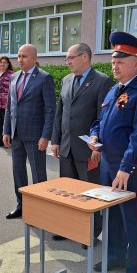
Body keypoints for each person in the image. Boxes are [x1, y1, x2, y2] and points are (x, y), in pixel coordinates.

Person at [89, 31, 137, 273]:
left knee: (133, 216)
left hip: (129, 167)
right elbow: (100, 122)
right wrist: (94, 137)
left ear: (136, 62)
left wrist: (125, 168)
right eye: (112, 61)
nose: (114, 65)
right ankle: (116, 256)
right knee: (113, 215)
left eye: (121, 60)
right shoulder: (113, 91)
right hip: (108, 163)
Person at [50, 43, 113, 246]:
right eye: (66, 58)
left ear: (84, 57)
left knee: (90, 193)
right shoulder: (66, 80)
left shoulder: (102, 82)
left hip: (88, 150)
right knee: (68, 191)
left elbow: (103, 118)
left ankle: (91, 233)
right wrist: (56, 140)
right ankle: (69, 227)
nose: (67, 62)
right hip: (66, 147)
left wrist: (99, 147)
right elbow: (60, 113)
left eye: (70, 58)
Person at [3, 44, 56, 219]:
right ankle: (22, 206)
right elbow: (10, 107)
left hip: (35, 136)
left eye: (24, 56)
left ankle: (40, 210)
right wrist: (6, 131)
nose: (20, 60)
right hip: (16, 134)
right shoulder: (14, 77)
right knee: (18, 172)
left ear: (34, 58)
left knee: (38, 174)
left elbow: (50, 110)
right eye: (18, 56)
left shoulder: (44, 78)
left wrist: (45, 136)